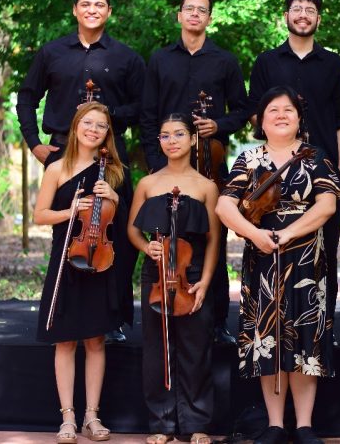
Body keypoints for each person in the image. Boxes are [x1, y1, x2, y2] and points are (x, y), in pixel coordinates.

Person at [17, 0, 145, 343]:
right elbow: (27, 97)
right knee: (68, 236)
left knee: (115, 233)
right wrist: (34, 144)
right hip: (62, 153)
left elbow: (143, 106)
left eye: (100, 5)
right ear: (75, 10)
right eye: (86, 4)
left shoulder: (127, 58)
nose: (92, 9)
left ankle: (113, 318)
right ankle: (66, 315)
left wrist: (105, 116)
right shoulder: (52, 52)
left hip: (110, 155)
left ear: (108, 12)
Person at [216, 86, 340, 444]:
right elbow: (225, 207)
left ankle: (303, 425)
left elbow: (326, 206)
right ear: (260, 120)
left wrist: (287, 234)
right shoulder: (248, 158)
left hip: (306, 259)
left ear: (300, 118)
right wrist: (255, 235)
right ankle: (274, 424)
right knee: (267, 335)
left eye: (289, 109)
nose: (281, 115)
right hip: (262, 259)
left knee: (304, 336)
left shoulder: (316, 157)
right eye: (273, 110)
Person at [141, 0, 249, 346]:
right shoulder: (159, 60)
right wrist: (158, 164)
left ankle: (217, 321)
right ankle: (162, 306)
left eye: (202, 10)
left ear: (209, 18)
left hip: (208, 171)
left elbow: (242, 110)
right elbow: (147, 115)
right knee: (164, 240)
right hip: (165, 169)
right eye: (189, 9)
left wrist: (219, 125)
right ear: (180, 15)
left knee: (211, 241)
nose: (195, 15)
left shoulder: (225, 61)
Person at [248, 0, 340, 336]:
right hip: (275, 169)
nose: (303, 14)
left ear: (318, 18)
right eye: (296, 9)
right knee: (269, 243)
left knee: (326, 249)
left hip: (321, 167)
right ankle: (270, 322)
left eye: (310, 9)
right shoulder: (266, 61)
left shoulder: (333, 63)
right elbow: (254, 114)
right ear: (286, 16)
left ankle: (325, 325)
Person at [33, 101, 131, 444]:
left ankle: (92, 415)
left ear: (108, 134)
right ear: (76, 126)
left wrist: (115, 200)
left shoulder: (115, 171)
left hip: (99, 260)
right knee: (64, 342)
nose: (93, 129)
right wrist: (69, 210)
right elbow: (40, 215)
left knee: (95, 341)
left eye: (101, 126)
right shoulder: (56, 168)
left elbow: (127, 226)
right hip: (66, 258)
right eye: (88, 123)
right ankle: (68, 418)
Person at [128, 114, 221, 444]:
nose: (172, 140)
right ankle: (161, 423)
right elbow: (131, 231)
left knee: (196, 348)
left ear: (193, 139)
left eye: (179, 134)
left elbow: (213, 240)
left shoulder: (207, 186)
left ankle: (197, 422)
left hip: (192, 273)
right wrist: (147, 247)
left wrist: (206, 282)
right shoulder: (147, 183)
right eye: (165, 135)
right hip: (155, 273)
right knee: (156, 350)